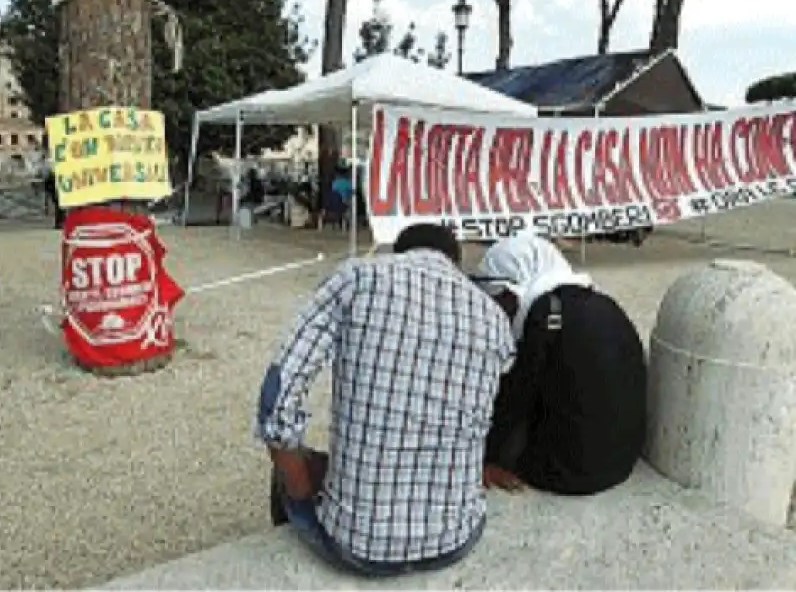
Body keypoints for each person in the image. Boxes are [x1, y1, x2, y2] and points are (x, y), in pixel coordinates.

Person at [257, 223, 515, 577]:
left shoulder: (359, 279)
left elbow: (277, 399)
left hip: (356, 547)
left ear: (400, 253)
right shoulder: (494, 318)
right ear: (454, 262)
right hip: (456, 540)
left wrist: (300, 491)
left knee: (293, 467)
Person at [475, 232, 646, 496]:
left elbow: (518, 395)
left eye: (502, 298)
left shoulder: (546, 313)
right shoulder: (600, 302)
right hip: (620, 462)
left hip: (569, 473)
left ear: (518, 284)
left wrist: (489, 458)